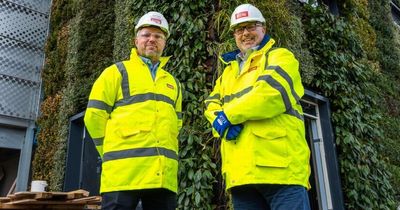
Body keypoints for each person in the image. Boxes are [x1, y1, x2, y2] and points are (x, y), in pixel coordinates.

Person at [204, 4, 311, 210]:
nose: (245, 33)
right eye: (239, 29)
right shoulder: (228, 72)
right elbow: (211, 104)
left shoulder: (280, 57)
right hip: (241, 175)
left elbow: (270, 94)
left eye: (251, 26)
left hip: (281, 171)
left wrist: (228, 116)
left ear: (263, 28)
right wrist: (220, 119)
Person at [84, 11, 182, 210]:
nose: (152, 40)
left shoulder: (173, 83)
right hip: (122, 175)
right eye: (146, 35)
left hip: (161, 177)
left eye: (158, 36)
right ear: (136, 40)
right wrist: (109, 153)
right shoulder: (115, 73)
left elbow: (176, 123)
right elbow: (94, 117)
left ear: (164, 42)